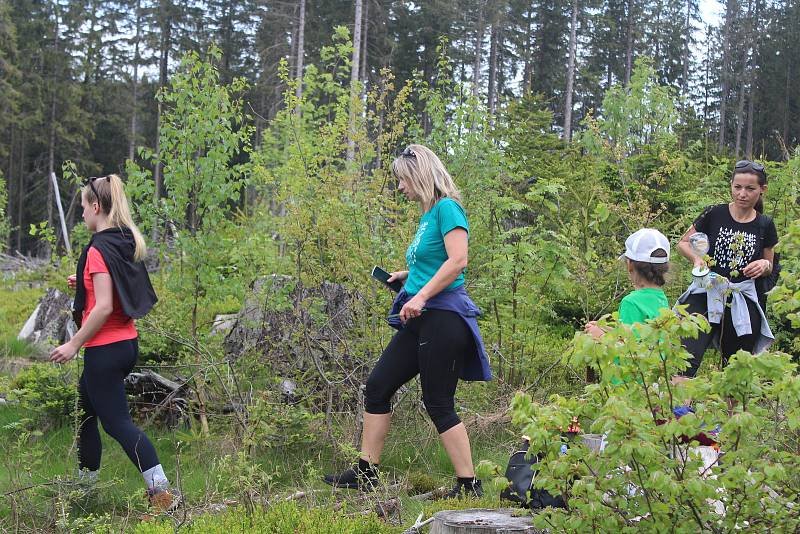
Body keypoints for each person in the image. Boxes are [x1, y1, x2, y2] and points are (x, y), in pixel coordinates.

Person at [323, 145, 492, 498]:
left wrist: (421, 295)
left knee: (438, 402)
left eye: (402, 179)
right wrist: (408, 276)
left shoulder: (448, 208)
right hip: (421, 318)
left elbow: (458, 261)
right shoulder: (427, 215)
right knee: (377, 386)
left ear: (420, 175)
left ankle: (469, 485)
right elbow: (435, 261)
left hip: (444, 318)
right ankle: (366, 474)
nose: (399, 187)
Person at [49, 174, 179, 512]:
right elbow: (117, 287)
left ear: (96, 206)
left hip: (104, 350)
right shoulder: (124, 240)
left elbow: (105, 306)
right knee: (86, 413)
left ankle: (164, 497)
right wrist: (86, 282)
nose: (80, 214)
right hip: (126, 345)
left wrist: (74, 344)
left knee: (117, 424)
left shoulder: (97, 249)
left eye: (82, 208)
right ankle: (84, 490)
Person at [675, 160, 777, 377]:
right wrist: (697, 259)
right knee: (686, 357)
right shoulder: (714, 214)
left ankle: (732, 411)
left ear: (762, 190)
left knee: (736, 366)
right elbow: (683, 243)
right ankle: (678, 410)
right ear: (731, 185)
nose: (742, 194)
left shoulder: (765, 224)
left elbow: (770, 264)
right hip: (707, 289)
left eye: (750, 189)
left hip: (742, 296)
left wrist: (763, 265)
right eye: (737, 187)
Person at [584, 228, 671, 383]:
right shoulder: (661, 299)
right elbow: (641, 337)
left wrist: (601, 337)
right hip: (652, 386)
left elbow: (629, 351)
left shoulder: (631, 302)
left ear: (630, 265)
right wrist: (608, 330)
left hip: (630, 389)